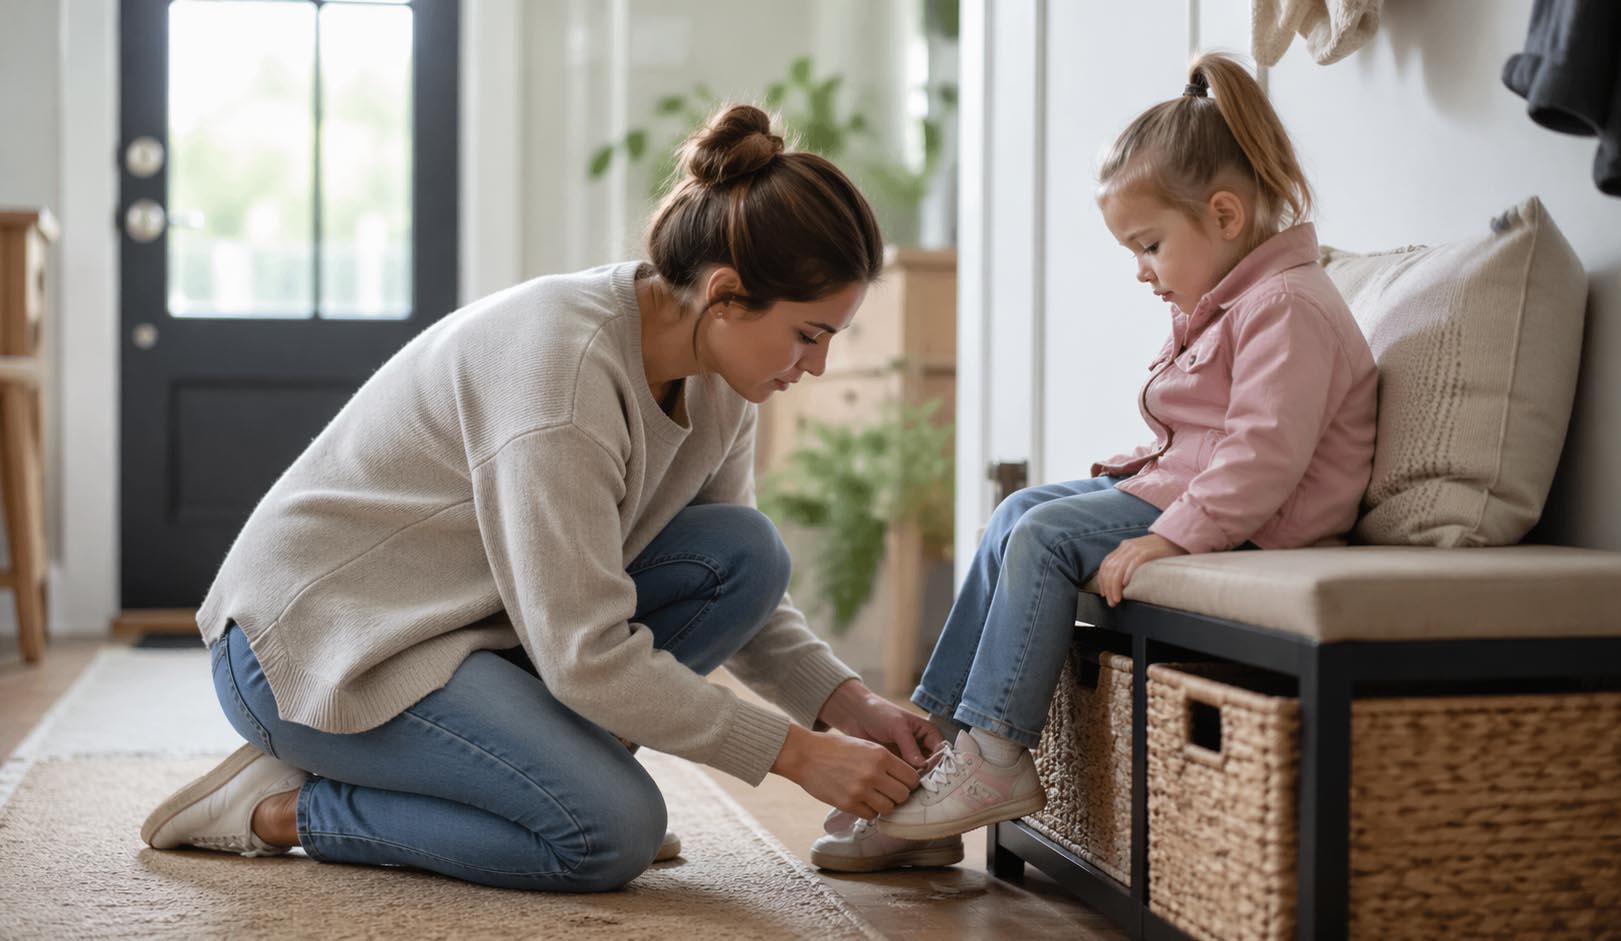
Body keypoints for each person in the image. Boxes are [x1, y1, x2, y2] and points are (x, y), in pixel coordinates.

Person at [140, 103, 956, 890]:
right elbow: (584, 653)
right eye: (809, 334)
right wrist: (798, 754)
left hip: (465, 629)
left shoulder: (721, 380)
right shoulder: (562, 378)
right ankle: (281, 806)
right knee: (607, 834)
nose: (816, 365)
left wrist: (848, 702)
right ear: (724, 294)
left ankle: (537, 786)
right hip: (321, 647)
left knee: (745, 551)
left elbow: (736, 590)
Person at [871, 52, 1379, 844]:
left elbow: (1263, 457)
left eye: (1149, 246)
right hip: (1194, 490)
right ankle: (935, 739)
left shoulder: (1287, 306)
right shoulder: (1231, 299)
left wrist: (1170, 536)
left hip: (1257, 520)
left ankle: (995, 755)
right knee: (1016, 511)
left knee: (1044, 535)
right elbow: (1202, 435)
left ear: (1225, 215)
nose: (1141, 272)